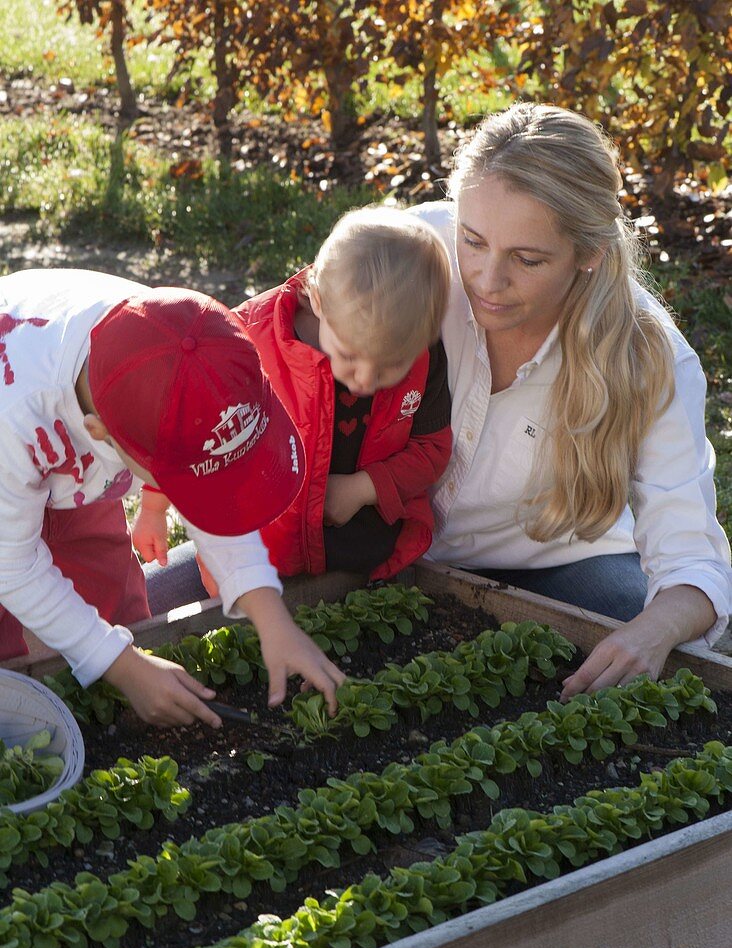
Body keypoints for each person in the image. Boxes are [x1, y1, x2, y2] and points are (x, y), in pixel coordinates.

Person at [409, 102, 732, 699]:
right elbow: (262, 352)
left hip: (553, 568)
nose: (486, 279)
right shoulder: (409, 254)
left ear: (590, 254)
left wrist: (650, 633)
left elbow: (693, 560)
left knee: (638, 630)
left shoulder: (648, 355)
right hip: (377, 549)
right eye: (473, 241)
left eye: (527, 260)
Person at [0, 268, 344, 728]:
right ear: (103, 438)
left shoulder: (181, 344)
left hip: (65, 450)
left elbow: (213, 491)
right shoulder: (15, 420)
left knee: (111, 604)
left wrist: (271, 617)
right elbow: (12, 564)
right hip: (13, 446)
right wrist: (120, 666)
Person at [134, 206, 453, 584]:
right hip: (259, 561)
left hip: (367, 561)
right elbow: (184, 428)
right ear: (317, 300)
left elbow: (431, 450)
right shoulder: (244, 342)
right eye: (350, 355)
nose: (365, 381)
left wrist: (364, 488)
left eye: (390, 367)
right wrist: (154, 505)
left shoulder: (423, 352)